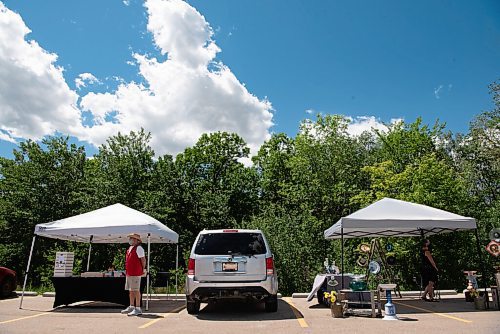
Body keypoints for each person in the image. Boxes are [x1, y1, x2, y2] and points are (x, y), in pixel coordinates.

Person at [121, 233, 146, 316]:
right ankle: (131, 306)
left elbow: (143, 260)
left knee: (136, 290)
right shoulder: (130, 248)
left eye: (132, 238)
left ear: (137, 240)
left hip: (136, 273)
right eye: (130, 238)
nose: (130, 239)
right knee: (131, 290)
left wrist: (143, 269)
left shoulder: (139, 248)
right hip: (129, 273)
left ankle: (138, 308)